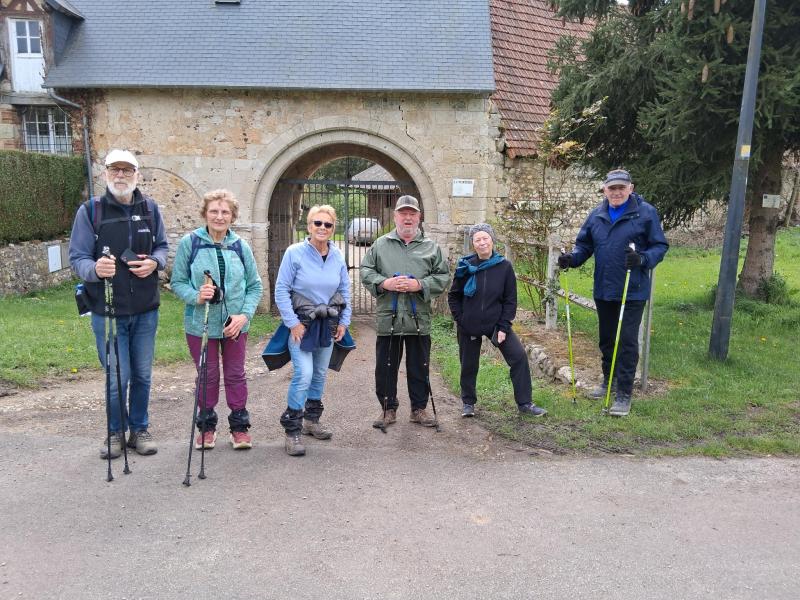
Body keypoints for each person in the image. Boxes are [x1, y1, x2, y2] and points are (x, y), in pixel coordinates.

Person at [68, 149, 169, 458]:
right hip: (107, 310)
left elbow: (162, 247)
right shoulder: (91, 211)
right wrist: (95, 270)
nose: (121, 175)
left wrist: (155, 262)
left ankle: (139, 430)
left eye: (127, 170)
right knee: (117, 377)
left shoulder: (150, 209)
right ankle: (115, 432)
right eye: (115, 170)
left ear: (137, 175)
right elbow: (78, 257)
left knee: (142, 375)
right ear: (106, 174)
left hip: (145, 310)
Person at [558, 169, 668, 416]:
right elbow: (584, 245)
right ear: (605, 190)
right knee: (607, 340)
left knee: (627, 341)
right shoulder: (597, 214)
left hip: (632, 288)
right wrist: (571, 259)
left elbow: (660, 246)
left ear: (631, 188)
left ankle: (624, 394)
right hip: (605, 288)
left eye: (621, 188)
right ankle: (609, 382)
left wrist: (642, 259)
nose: (616, 192)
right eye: (612, 188)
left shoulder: (645, 213)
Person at [170, 189, 263, 450]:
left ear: (232, 216)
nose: (219, 217)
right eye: (214, 211)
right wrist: (196, 296)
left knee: (235, 374)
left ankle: (239, 428)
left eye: (225, 212)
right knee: (207, 375)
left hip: (235, 324)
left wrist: (244, 316)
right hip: (201, 323)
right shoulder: (191, 243)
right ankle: (207, 428)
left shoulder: (240, 246)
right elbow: (177, 282)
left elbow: (255, 286)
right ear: (205, 214)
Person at [360, 195, 450, 429]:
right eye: (403, 213)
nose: (407, 218)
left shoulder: (431, 247)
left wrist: (420, 285)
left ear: (419, 217)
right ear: (395, 216)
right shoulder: (380, 244)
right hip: (388, 318)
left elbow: (442, 276)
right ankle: (387, 409)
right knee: (386, 367)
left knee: (419, 366)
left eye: (412, 214)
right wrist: (384, 283)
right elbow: (366, 270)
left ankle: (418, 409)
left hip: (418, 318)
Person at [274, 205, 351, 456]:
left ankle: (311, 420)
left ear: (333, 228)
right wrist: (292, 323)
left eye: (327, 224)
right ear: (309, 226)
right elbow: (281, 289)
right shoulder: (294, 253)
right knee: (304, 374)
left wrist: (344, 322)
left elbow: (345, 291)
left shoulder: (337, 256)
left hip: (327, 324)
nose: (322, 228)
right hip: (303, 323)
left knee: (319, 374)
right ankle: (292, 430)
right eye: (317, 223)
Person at [448, 223, 546, 418]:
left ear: (492, 240)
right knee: (468, 364)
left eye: (485, 238)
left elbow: (510, 300)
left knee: (518, 357)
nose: (482, 242)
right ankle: (468, 403)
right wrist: (461, 320)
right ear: (473, 243)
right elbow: (454, 296)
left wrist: (503, 326)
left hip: (496, 323)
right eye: (478, 239)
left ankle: (525, 403)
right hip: (469, 324)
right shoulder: (465, 267)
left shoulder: (504, 266)